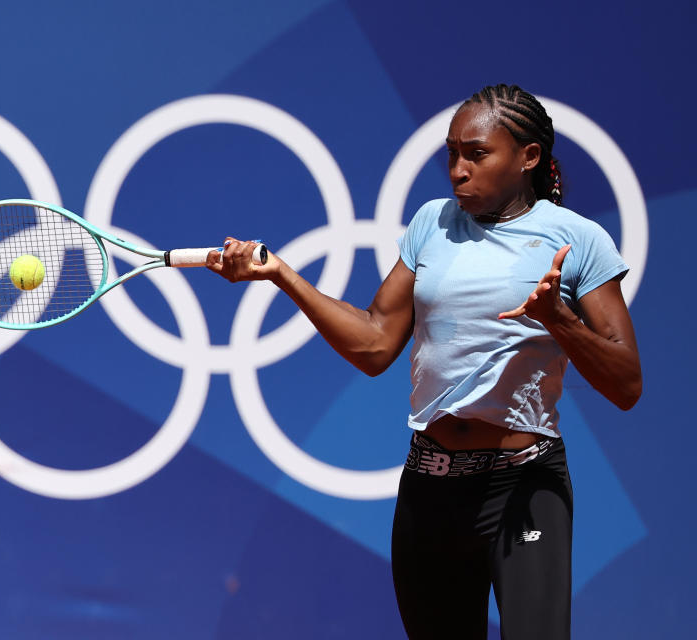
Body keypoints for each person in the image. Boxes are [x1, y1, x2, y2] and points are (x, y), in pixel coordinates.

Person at [206, 84, 641, 640]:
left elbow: (626, 383)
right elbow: (374, 345)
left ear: (528, 158)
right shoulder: (431, 223)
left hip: (524, 488)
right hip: (429, 491)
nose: (458, 170)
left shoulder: (578, 239)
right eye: (452, 154)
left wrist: (558, 317)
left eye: (477, 154)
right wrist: (282, 275)